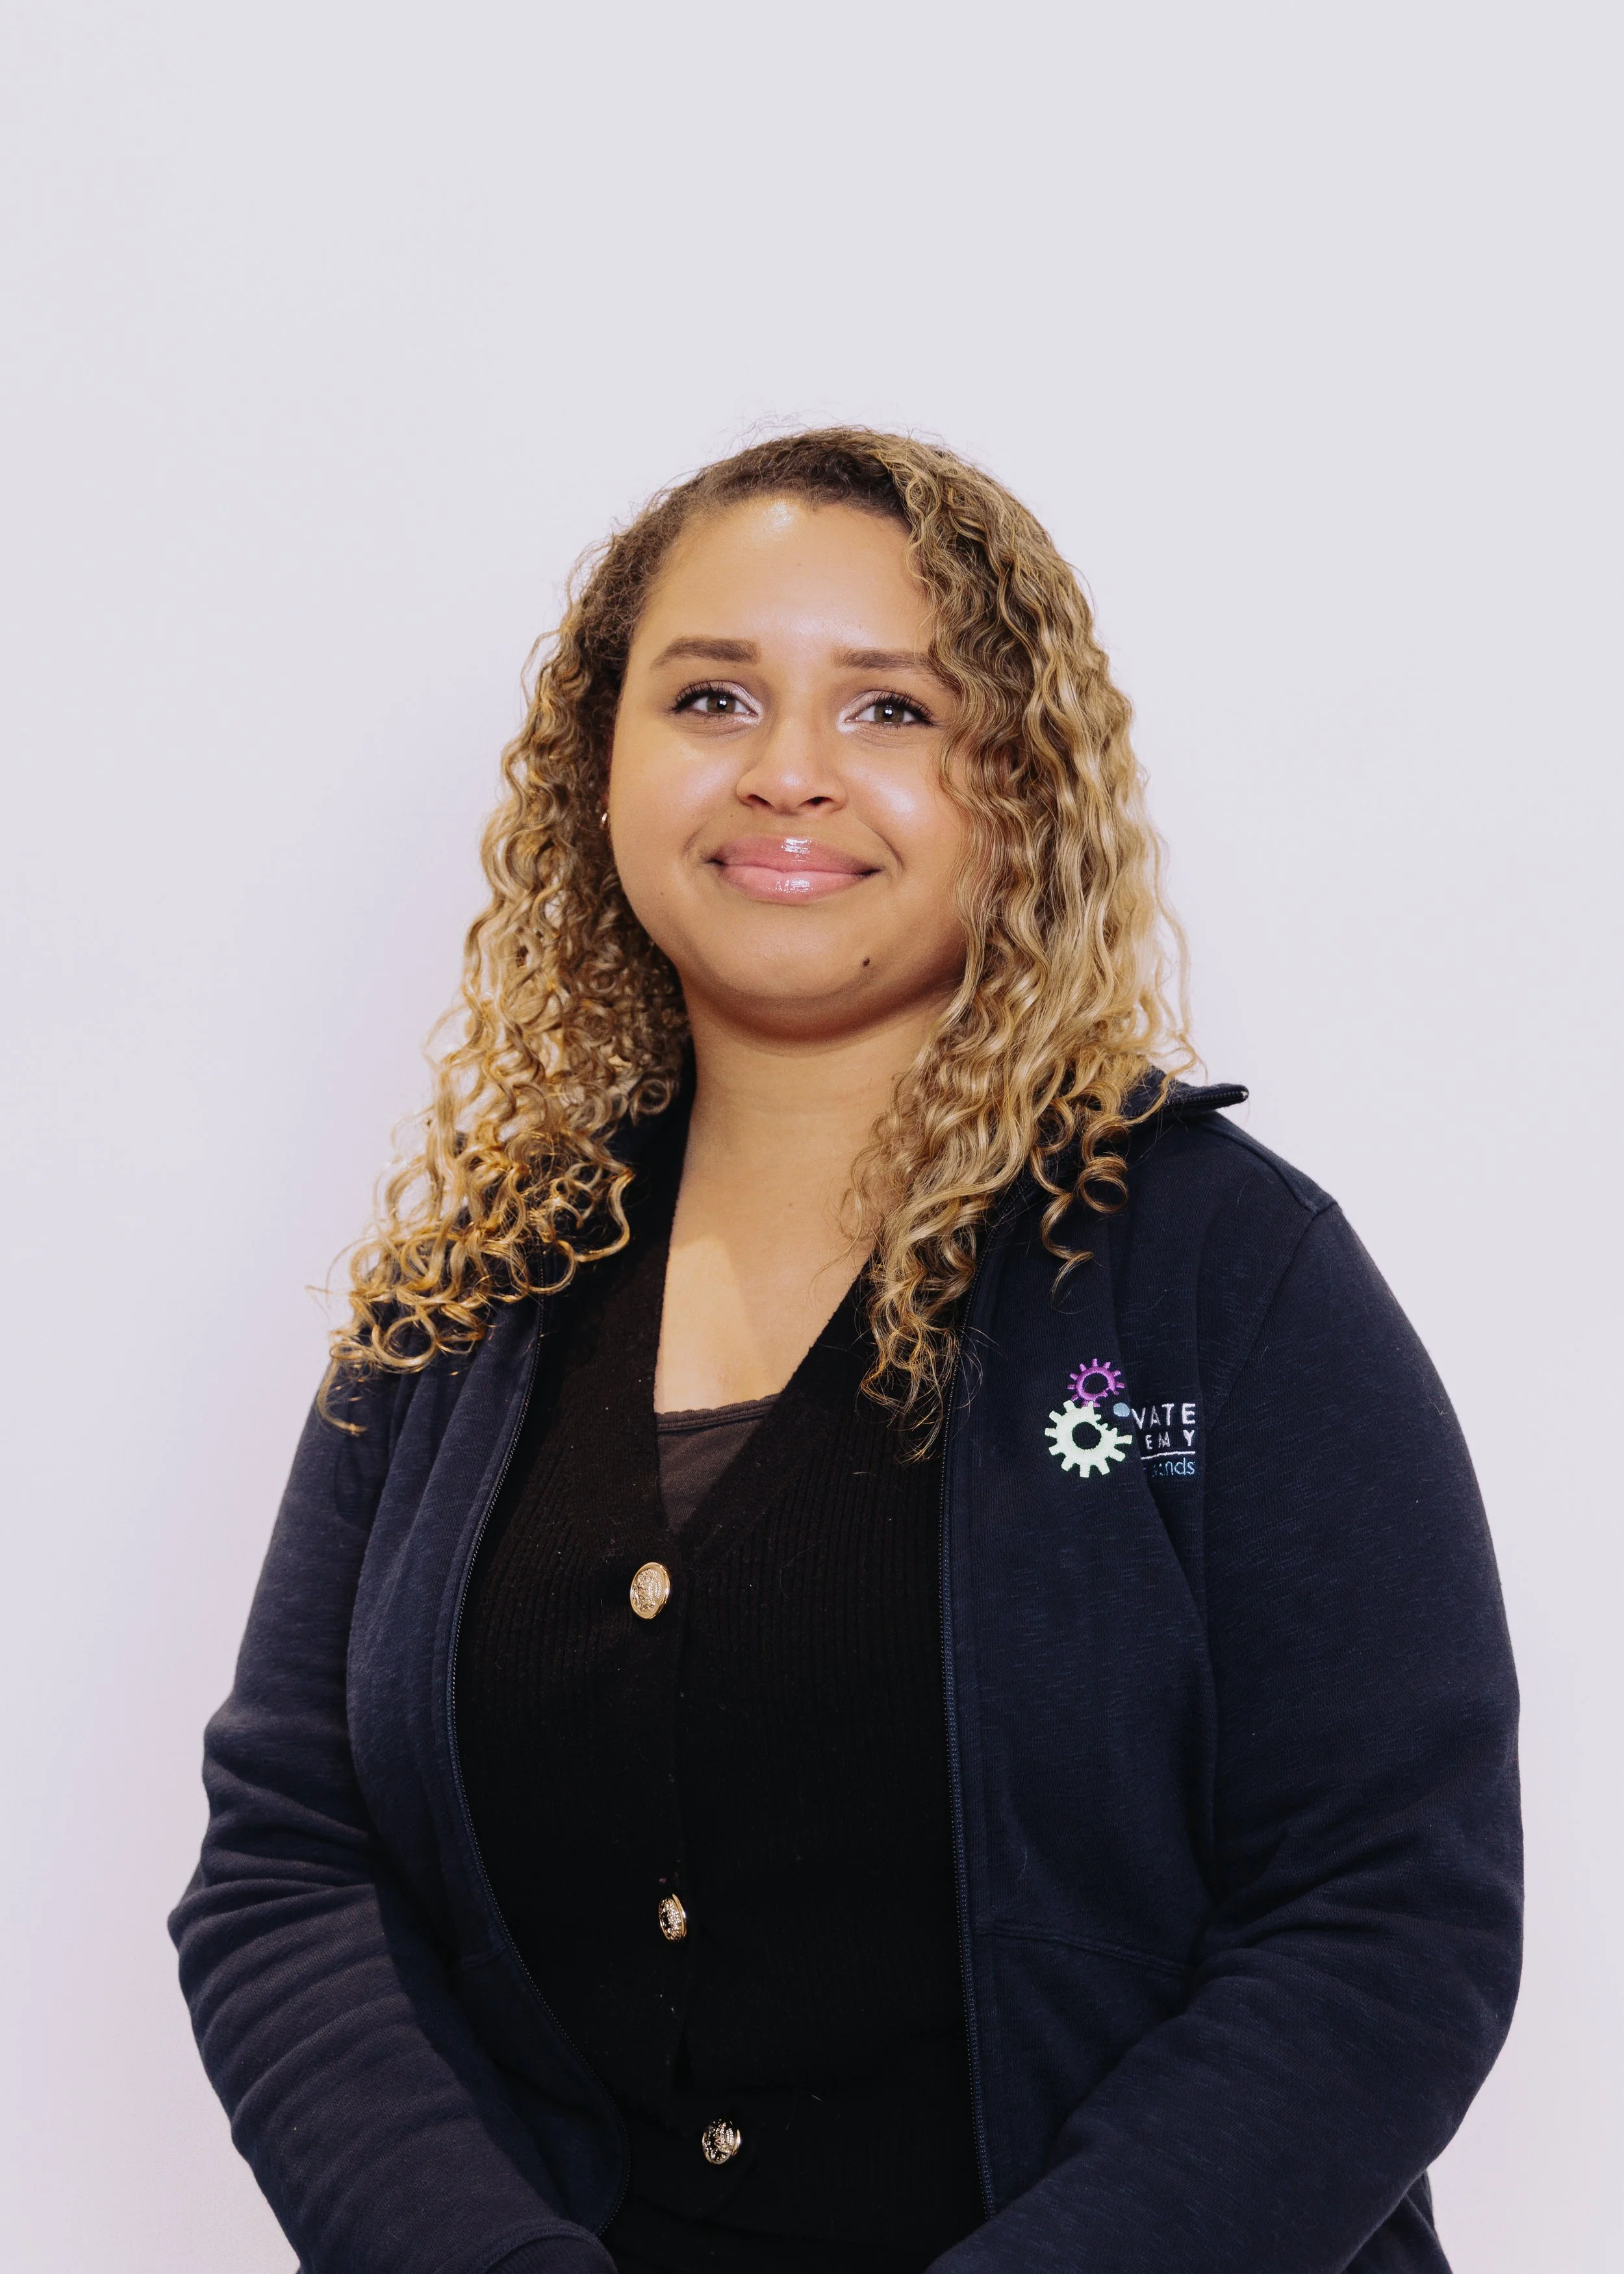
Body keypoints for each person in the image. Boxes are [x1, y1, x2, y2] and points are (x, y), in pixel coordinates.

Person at [171, 429, 1521, 2274]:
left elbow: (1386, 1914)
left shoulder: (1221, 1278)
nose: (787, 769)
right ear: (597, 766)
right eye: (712, 696)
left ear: (1020, 786)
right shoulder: (469, 1300)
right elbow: (288, 1864)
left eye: (891, 708)